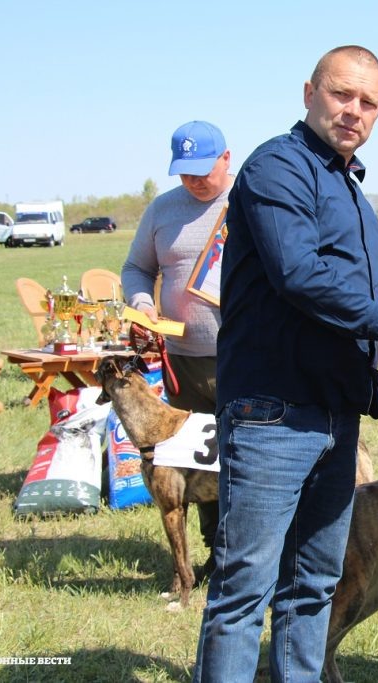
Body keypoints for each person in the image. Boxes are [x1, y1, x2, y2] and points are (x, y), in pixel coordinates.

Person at [193, 45, 378, 682]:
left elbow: (342, 311)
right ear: (309, 91)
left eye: (367, 103)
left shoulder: (356, 198)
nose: (352, 111)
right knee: (243, 591)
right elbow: (299, 277)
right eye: (341, 95)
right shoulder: (275, 169)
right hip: (272, 416)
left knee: (314, 584)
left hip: (336, 419)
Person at [121, 119, 231, 580]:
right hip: (181, 363)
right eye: (185, 172)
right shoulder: (161, 210)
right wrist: (143, 303)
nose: (194, 180)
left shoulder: (251, 204)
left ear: (227, 158)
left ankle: (250, 553)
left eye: (204, 169)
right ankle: (214, 555)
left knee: (242, 459)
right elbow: (135, 268)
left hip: (240, 358)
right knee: (192, 462)